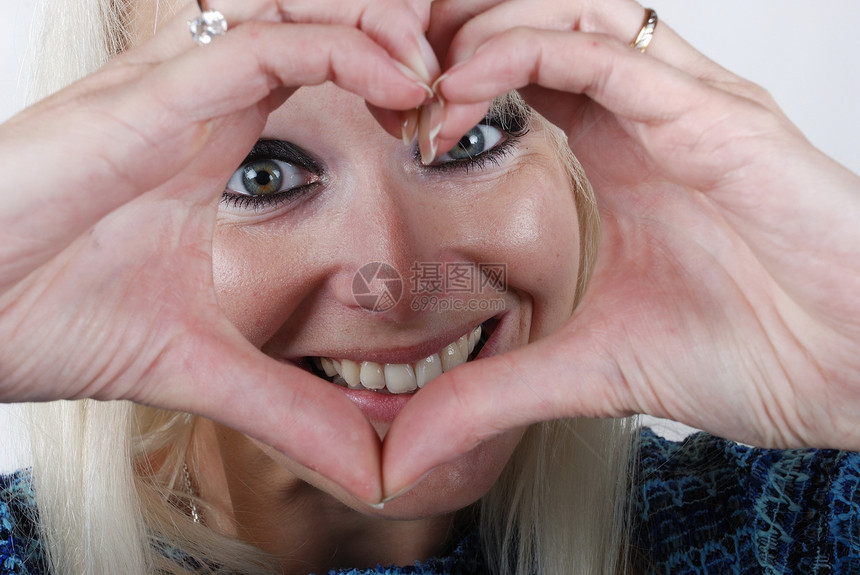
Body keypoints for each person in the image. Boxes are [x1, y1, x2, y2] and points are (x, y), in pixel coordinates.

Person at [0, 0, 858, 573]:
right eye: (260, 174)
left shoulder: (769, 529)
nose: (398, 279)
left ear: (572, 168)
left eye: (472, 136)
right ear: (101, 214)